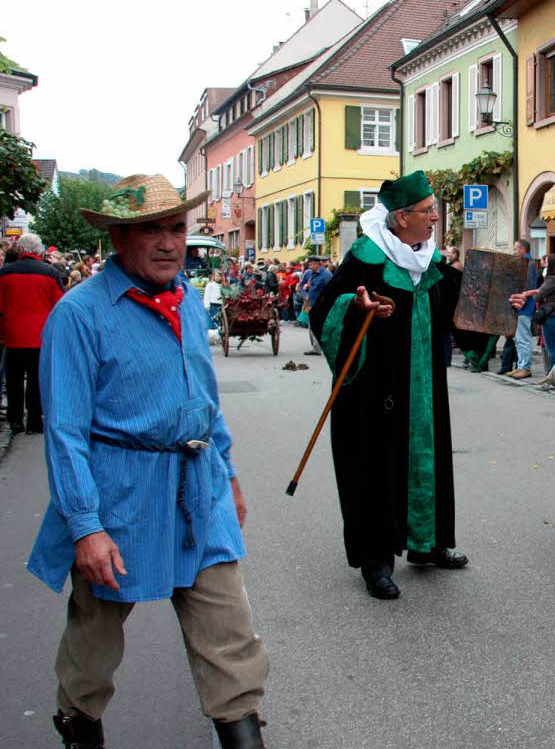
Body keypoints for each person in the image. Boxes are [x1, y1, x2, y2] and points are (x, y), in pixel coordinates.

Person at [29, 175, 268, 748]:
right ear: (117, 237)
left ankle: (243, 735)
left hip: (197, 487)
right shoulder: (77, 315)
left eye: (177, 228)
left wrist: (229, 476)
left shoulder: (186, 301)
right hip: (120, 496)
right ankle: (78, 724)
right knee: (96, 639)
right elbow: (63, 433)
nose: (168, 243)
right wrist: (86, 527)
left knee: (230, 635)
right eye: (150, 231)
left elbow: (205, 404)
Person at [310, 171, 486, 600]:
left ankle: (429, 543)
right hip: (373, 391)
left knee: (429, 457)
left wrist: (499, 309)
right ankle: (377, 560)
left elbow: (462, 315)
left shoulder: (434, 263)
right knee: (375, 467)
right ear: (401, 216)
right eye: (428, 211)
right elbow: (323, 312)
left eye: (434, 211)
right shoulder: (366, 258)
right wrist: (356, 307)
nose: (435, 219)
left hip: (424, 388)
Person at [0, 232, 64, 435]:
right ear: (39, 250)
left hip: (12, 336)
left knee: (14, 381)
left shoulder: (5, 273)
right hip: (40, 337)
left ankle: (15, 419)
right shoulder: (50, 273)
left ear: (20, 249)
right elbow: (60, 306)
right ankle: (35, 421)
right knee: (37, 381)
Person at [534, 253, 555, 378]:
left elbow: (538, 295)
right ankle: (552, 377)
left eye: (547, 262)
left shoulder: (551, 279)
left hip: (549, 314)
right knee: (553, 346)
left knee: (551, 348)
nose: (544, 265)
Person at [509, 238, 538, 379]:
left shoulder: (527, 263)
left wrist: (521, 300)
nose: (514, 251)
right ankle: (521, 365)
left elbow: (528, 285)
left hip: (524, 306)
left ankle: (525, 367)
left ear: (523, 250)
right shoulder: (525, 262)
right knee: (519, 338)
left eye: (516, 248)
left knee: (523, 338)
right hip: (522, 305)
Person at [302, 256, 332, 355]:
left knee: (323, 327)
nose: (309, 267)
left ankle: (325, 347)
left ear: (317, 264)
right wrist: (306, 293)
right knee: (312, 326)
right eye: (309, 265)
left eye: (311, 264)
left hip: (322, 306)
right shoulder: (311, 274)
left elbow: (330, 290)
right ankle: (316, 348)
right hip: (312, 304)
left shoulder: (326, 275)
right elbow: (304, 287)